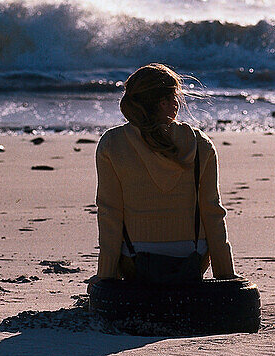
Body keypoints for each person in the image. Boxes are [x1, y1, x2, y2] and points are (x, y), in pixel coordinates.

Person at [95, 63, 235, 282]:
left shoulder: (112, 144)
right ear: (165, 103)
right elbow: (212, 212)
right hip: (192, 260)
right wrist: (226, 276)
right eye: (176, 97)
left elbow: (110, 213)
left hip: (135, 261)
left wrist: (105, 278)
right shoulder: (201, 144)